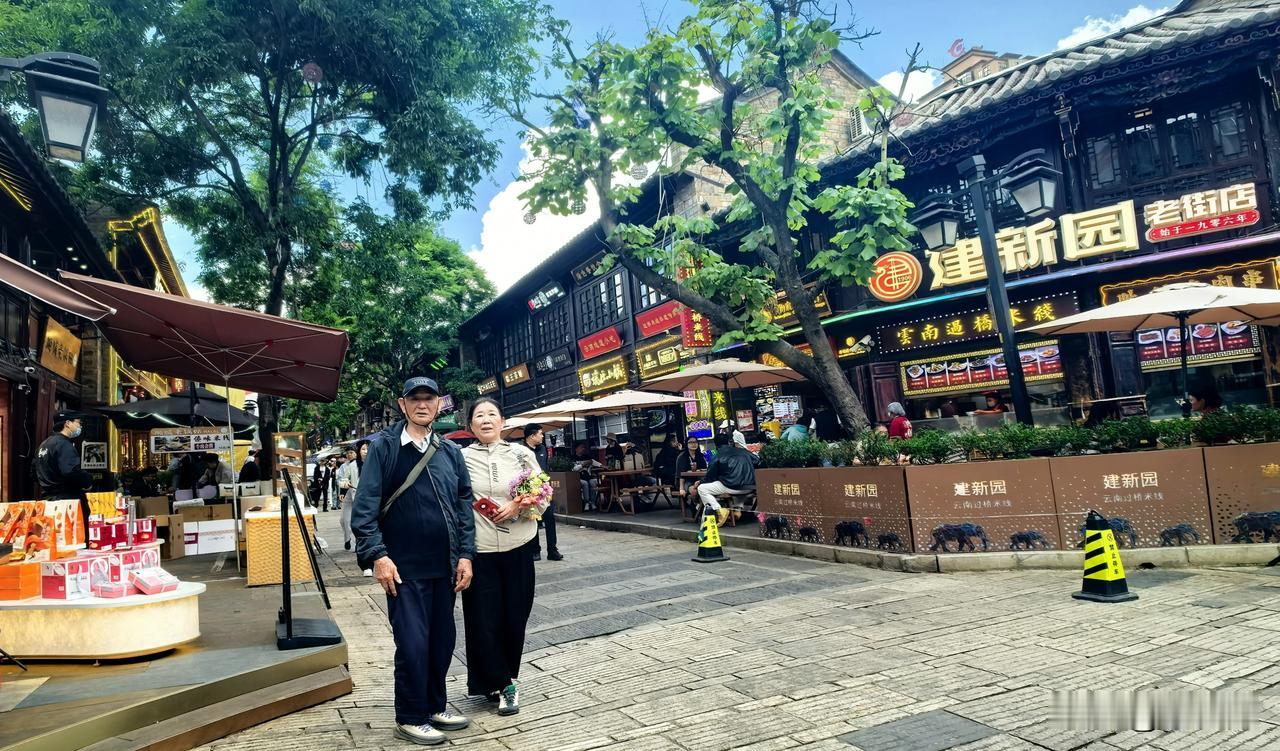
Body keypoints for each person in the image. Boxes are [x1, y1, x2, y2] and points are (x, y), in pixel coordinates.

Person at [350, 377, 475, 746]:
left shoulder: (449, 451)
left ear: (439, 404)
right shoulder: (385, 448)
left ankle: (434, 706)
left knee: (441, 641)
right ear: (402, 405)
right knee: (413, 644)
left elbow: (463, 506)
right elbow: (364, 508)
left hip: (444, 565)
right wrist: (378, 555)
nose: (422, 405)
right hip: (402, 568)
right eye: (415, 399)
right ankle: (409, 716)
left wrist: (466, 555)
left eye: (429, 398)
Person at [461, 398, 549, 717]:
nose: (486, 420)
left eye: (491, 414)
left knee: (515, 616)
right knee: (483, 620)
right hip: (480, 551)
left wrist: (519, 506)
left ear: (502, 421)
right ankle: (503, 684)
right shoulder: (460, 458)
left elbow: (543, 494)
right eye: (479, 415)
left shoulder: (522, 454)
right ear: (470, 425)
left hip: (519, 546)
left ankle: (504, 675)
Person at [35, 411, 94, 521]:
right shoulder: (64, 444)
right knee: (72, 531)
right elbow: (71, 471)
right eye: (78, 423)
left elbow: (34, 473)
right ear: (67, 423)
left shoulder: (43, 445)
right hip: (67, 502)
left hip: (48, 501)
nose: (80, 426)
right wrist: (88, 480)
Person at [520, 423, 562, 562]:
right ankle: (535, 550)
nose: (542, 436)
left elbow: (545, 468)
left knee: (550, 518)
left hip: (544, 490)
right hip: (529, 490)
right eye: (540, 434)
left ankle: (552, 550)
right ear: (532, 436)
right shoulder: (521, 451)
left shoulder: (542, 448)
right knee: (533, 520)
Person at [697, 432, 757, 526]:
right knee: (732, 488)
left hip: (732, 486)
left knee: (702, 488)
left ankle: (719, 511)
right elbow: (759, 461)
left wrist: (699, 482)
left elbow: (710, 477)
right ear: (730, 442)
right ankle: (737, 510)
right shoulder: (743, 451)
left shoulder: (717, 456)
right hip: (750, 486)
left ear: (715, 445)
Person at [674, 436, 708, 512]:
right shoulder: (682, 457)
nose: (693, 444)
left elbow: (704, 469)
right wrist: (681, 488)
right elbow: (680, 474)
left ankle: (700, 507)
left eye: (695, 442)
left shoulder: (700, 455)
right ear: (687, 444)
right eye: (691, 442)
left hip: (698, 479)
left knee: (706, 489)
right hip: (685, 481)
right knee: (694, 491)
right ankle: (696, 506)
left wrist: (699, 471)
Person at [336, 447, 360, 553]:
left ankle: (357, 542)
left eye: (351, 452)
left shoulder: (361, 464)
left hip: (358, 493)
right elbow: (341, 480)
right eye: (347, 453)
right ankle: (347, 539)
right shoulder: (343, 466)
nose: (349, 454)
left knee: (357, 520)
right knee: (344, 519)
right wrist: (342, 491)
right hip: (347, 492)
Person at [573, 441, 602, 511]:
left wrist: (603, 466)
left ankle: (593, 502)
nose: (583, 449)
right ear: (576, 449)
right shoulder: (573, 458)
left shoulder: (587, 457)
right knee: (585, 483)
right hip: (577, 477)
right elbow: (574, 469)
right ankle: (587, 502)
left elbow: (595, 463)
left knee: (592, 482)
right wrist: (583, 464)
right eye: (581, 447)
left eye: (584, 448)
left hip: (587, 476)